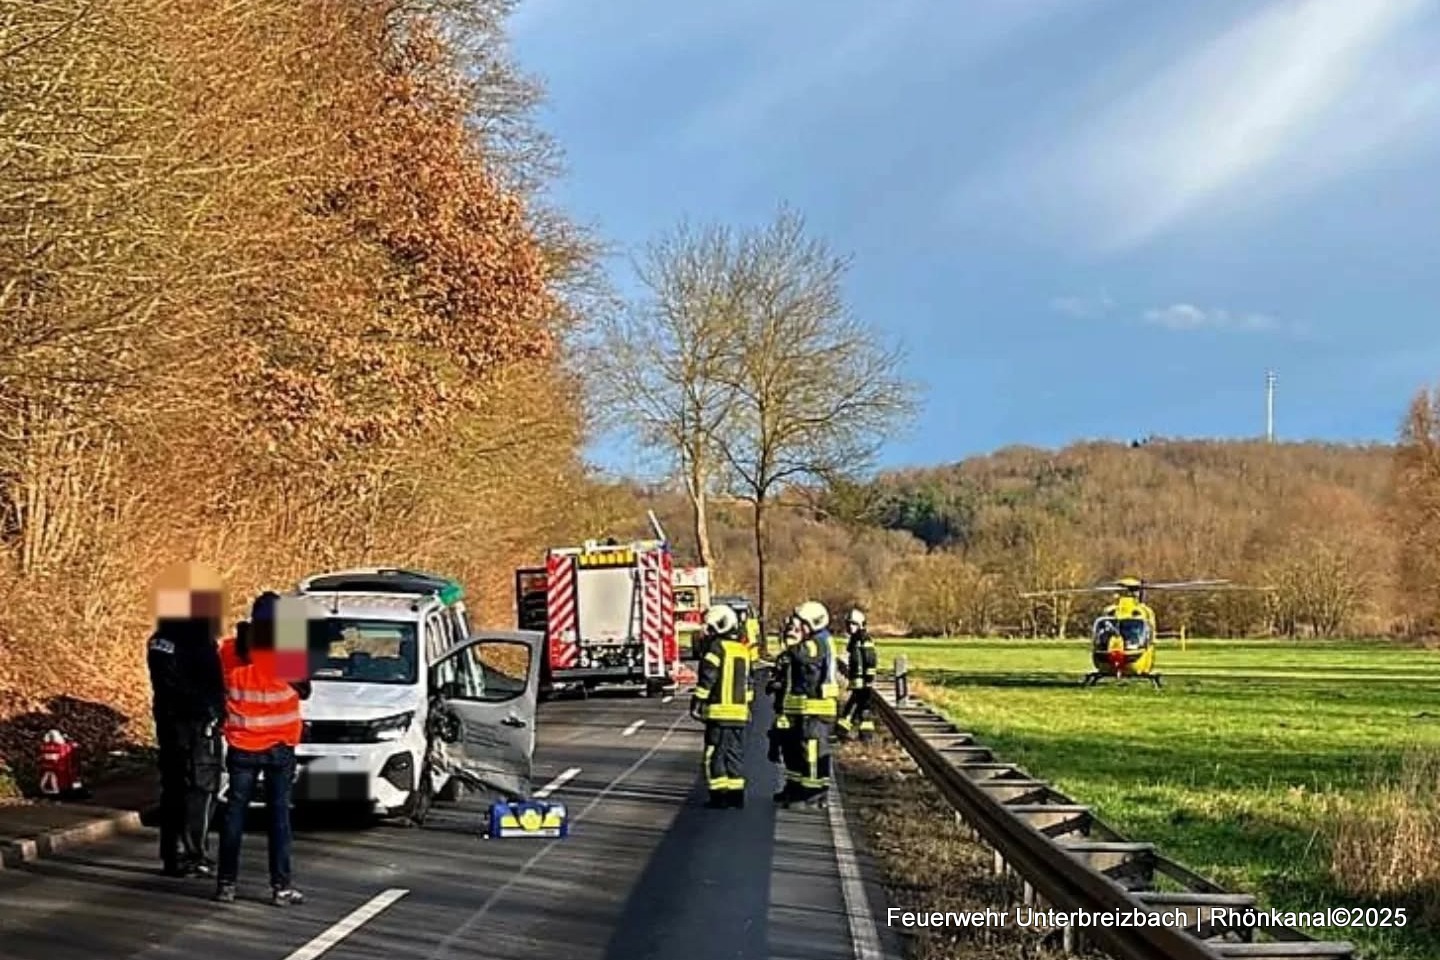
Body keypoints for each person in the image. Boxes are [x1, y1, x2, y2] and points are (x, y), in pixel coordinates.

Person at [214, 592, 311, 905]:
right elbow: (305, 690)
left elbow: (217, 687)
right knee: (278, 817)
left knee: (234, 815)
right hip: (279, 746)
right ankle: (280, 887)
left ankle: (226, 884)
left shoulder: (229, 650)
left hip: (241, 743)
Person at [146, 561, 227, 878]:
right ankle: (191, 853)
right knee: (198, 788)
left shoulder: (163, 640)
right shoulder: (194, 641)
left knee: (177, 787)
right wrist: (211, 711)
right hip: (193, 725)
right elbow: (195, 686)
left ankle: (177, 852)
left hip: (173, 723)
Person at [689, 605, 754, 808]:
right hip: (739, 713)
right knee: (734, 754)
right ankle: (736, 795)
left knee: (714, 754)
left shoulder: (716, 649)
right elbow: (749, 683)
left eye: (710, 628)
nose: (707, 632)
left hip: (719, 713)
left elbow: (707, 679)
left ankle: (719, 796)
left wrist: (697, 703)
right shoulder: (743, 649)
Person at [778, 600, 838, 809]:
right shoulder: (821, 639)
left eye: (801, 624)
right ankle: (799, 790)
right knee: (801, 750)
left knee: (812, 752)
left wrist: (790, 642)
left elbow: (802, 655)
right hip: (809, 708)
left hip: (816, 708)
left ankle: (811, 794)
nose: (798, 627)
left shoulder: (817, 643)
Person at [837, 608, 878, 742]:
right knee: (858, 707)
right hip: (857, 681)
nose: (850, 627)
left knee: (861, 708)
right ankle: (851, 733)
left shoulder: (863, 639)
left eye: (853, 624)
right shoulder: (855, 640)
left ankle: (860, 736)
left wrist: (869, 679)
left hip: (863, 682)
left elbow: (870, 659)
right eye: (848, 624)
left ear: (861, 624)